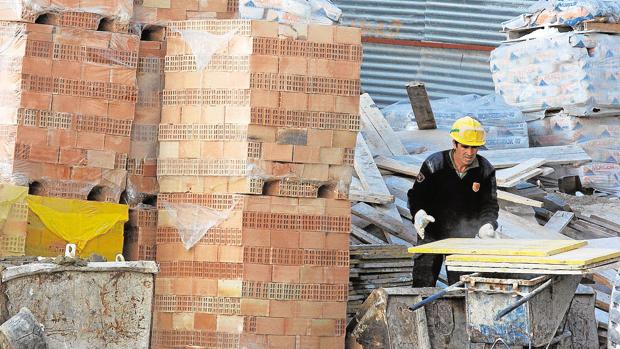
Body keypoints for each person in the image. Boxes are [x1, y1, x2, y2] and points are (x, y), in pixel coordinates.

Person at [407, 116, 499, 287]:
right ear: (455, 143)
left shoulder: (485, 170)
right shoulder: (435, 164)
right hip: (431, 232)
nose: (470, 152)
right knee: (422, 283)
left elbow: (490, 205)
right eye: (465, 146)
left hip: (463, 237)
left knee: (461, 288)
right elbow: (417, 195)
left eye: (474, 147)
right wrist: (418, 213)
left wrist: (487, 225)